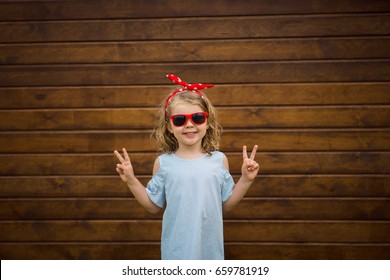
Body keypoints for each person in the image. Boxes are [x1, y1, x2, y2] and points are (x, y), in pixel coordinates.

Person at [114, 74, 259, 260]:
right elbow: (153, 206)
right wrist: (131, 181)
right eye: (180, 120)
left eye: (197, 117)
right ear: (169, 126)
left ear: (207, 123)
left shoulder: (218, 160)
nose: (189, 124)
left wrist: (246, 180)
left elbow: (227, 204)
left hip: (210, 253)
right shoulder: (164, 163)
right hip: (176, 253)